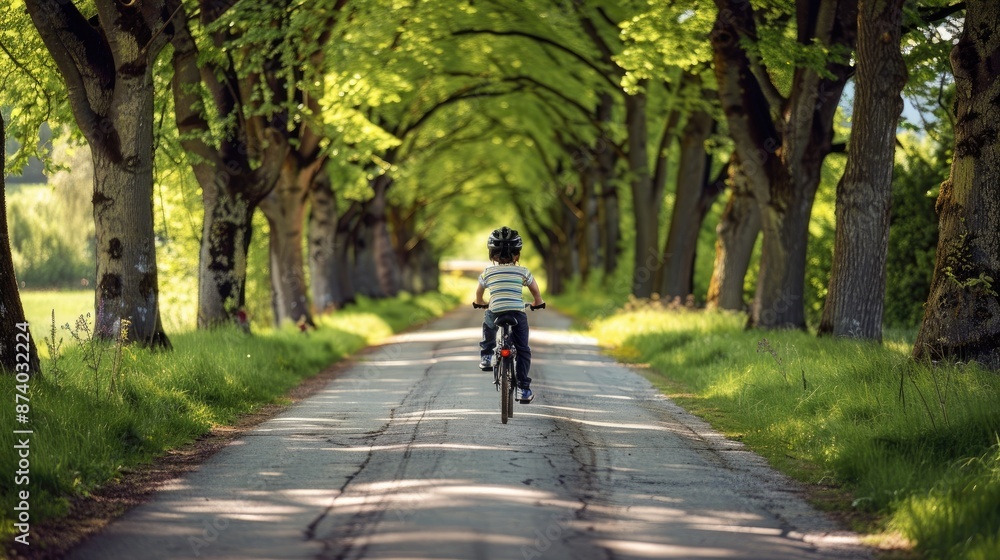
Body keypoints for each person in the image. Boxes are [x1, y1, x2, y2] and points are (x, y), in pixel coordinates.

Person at [474, 226, 544, 403]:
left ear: (492, 255)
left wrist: (480, 302)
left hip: (496, 310)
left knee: (488, 323)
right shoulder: (523, 271)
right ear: (517, 254)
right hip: (517, 313)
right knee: (523, 350)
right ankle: (523, 389)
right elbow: (535, 291)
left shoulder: (488, 272)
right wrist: (538, 301)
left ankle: (487, 354)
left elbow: (478, 293)